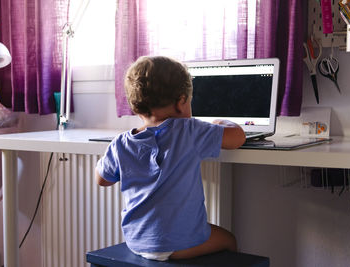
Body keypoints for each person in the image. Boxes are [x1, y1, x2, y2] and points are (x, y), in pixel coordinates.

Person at [95, 56, 245, 261]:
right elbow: (237, 138)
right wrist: (221, 122)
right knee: (229, 240)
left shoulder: (120, 143)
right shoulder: (189, 130)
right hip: (180, 244)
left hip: (137, 242)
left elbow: (102, 180)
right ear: (181, 101)